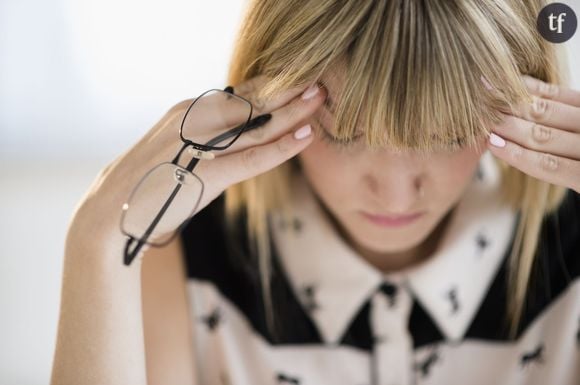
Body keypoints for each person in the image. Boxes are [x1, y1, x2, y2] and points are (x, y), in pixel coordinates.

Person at [51, 0, 580, 384]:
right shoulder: (185, 257)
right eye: (343, 134)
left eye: (449, 135)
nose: (396, 196)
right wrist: (95, 245)